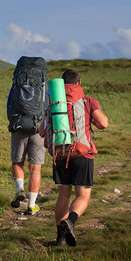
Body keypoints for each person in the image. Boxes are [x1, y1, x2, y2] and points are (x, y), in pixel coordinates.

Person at [40, 69, 108, 246]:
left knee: (63, 195)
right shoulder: (88, 101)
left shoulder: (54, 104)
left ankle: (60, 239)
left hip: (60, 153)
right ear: (79, 83)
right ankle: (70, 221)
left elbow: (41, 132)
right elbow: (103, 124)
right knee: (83, 195)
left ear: (61, 85)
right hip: (82, 152)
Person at [7, 87, 46, 215]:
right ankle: (32, 205)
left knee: (17, 162)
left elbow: (9, 106)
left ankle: (20, 189)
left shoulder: (17, 85)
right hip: (38, 128)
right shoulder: (43, 85)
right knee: (35, 168)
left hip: (19, 126)